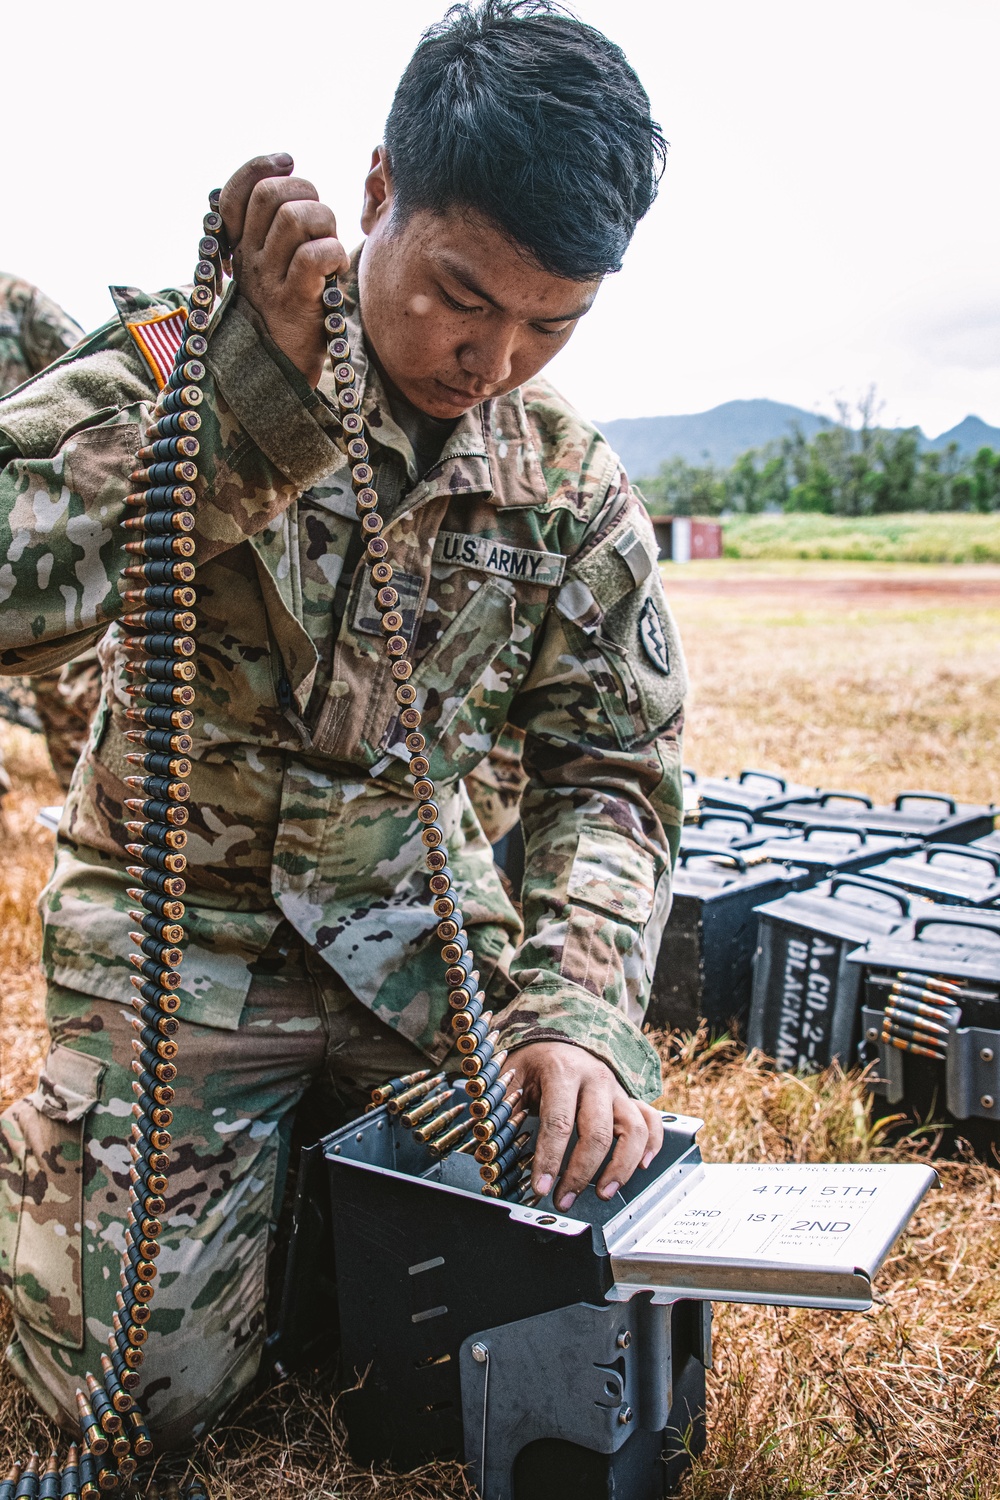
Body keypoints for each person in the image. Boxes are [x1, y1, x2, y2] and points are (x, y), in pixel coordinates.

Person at [0, 0, 687, 1446]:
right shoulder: (201, 359)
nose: (491, 357)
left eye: (550, 322)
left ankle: (300, 1202)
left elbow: (614, 772)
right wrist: (236, 419)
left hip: (423, 963)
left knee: (568, 1288)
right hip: (190, 950)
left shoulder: (566, 483)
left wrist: (571, 1006)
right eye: (459, 292)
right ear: (379, 191)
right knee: (136, 1410)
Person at [0, 274, 99, 793]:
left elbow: (87, 376)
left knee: (68, 687)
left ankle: (84, 804)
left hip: (37, 532)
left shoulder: (16, 303)